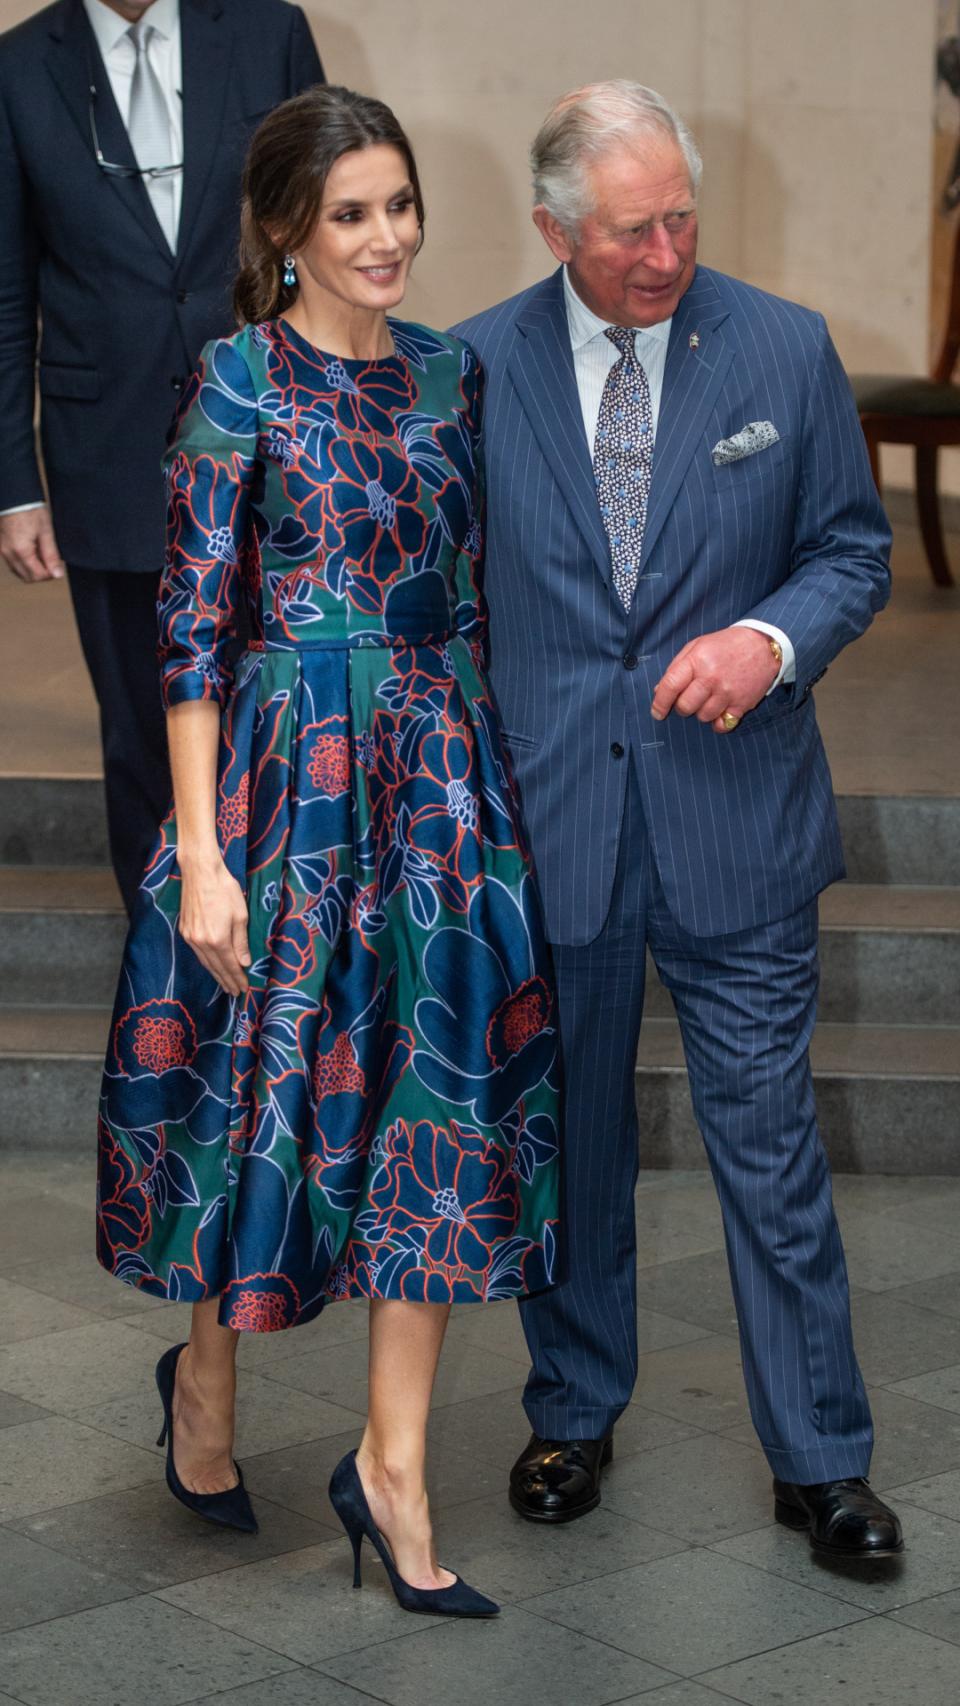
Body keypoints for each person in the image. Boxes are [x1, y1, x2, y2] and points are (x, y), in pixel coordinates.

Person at [95, 83, 560, 1616]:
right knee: (262, 1103)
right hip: (286, 784)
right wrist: (205, 855)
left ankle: (393, 1465)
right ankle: (209, 1379)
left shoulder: (450, 378)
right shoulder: (236, 381)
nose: (387, 238)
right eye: (352, 213)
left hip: (435, 787)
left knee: (432, 1110)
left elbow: (474, 596)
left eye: (402, 206)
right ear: (287, 228)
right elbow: (187, 636)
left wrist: (486, 800)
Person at [453, 80, 904, 1559]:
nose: (666, 252)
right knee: (569, 1141)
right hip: (554, 824)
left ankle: (822, 1456)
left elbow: (849, 549)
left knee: (768, 1146)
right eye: (632, 229)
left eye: (682, 217)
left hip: (738, 824)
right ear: (554, 229)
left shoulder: (781, 347)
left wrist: (767, 641)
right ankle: (572, 1409)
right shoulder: (472, 372)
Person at [0, 0, 323, 911]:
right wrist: (13, 487)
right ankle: (165, 975)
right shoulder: (20, 68)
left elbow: (321, 230)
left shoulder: (267, 32)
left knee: (283, 709)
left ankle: (289, 943)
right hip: (105, 454)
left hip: (278, 444)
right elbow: (5, 293)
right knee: (144, 730)